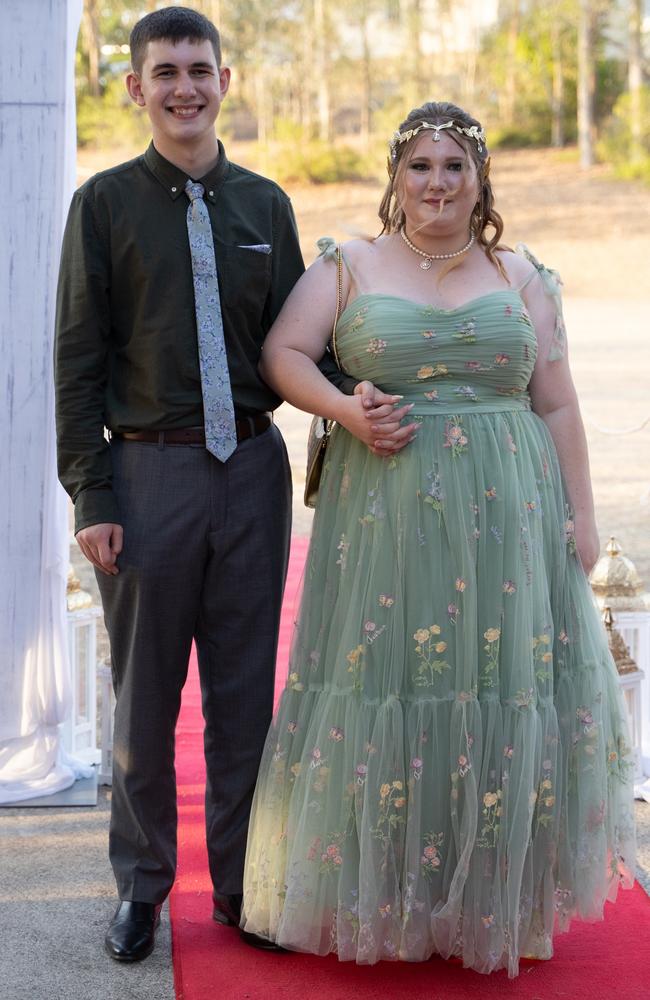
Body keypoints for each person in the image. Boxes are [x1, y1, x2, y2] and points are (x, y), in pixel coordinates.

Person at [240, 101, 636, 976]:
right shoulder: (348, 266)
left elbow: (558, 399)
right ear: (396, 176)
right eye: (420, 166)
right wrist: (346, 407)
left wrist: (583, 513)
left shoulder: (521, 271)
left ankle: (493, 900)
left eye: (454, 166)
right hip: (388, 517)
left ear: (479, 178)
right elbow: (284, 357)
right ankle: (391, 898)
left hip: (510, 519)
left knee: (496, 687)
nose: (437, 183)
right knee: (398, 684)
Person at [54, 6, 409, 964]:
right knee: (143, 702)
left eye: (198, 69)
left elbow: (303, 342)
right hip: (149, 472)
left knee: (249, 700)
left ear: (224, 79)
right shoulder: (104, 205)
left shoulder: (266, 206)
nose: (183, 87)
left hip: (252, 470)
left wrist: (386, 376)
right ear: (134, 87)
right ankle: (141, 890)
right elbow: (77, 362)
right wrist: (94, 497)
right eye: (163, 71)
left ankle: (248, 887)